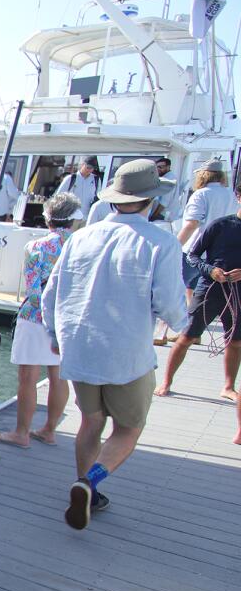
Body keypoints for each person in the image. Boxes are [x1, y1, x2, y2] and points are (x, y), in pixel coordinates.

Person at [41, 159, 188, 531]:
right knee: (129, 428)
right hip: (127, 354)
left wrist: (55, 336)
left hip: (81, 347)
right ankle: (89, 483)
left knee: (90, 421)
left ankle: (85, 484)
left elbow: (50, 295)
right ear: (152, 199)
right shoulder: (161, 241)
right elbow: (168, 302)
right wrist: (185, 327)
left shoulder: (80, 237)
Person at [0, 193, 80, 449]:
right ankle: (49, 430)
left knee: (28, 377)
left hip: (34, 316)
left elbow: (33, 288)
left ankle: (22, 433)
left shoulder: (36, 247)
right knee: (59, 376)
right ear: (73, 219)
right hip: (65, 318)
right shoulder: (81, 244)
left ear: (47, 218)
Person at [154, 184, 241, 400]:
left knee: (236, 340)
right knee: (187, 336)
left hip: (238, 292)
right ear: (238, 196)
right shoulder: (221, 225)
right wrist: (211, 271)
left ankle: (228, 386)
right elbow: (193, 255)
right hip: (209, 288)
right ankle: (166, 381)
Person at [177, 159, 234, 297]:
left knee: (187, 290)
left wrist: (175, 245)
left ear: (202, 175)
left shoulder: (200, 194)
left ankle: (188, 318)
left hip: (196, 251)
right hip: (220, 253)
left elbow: (192, 224)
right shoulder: (231, 195)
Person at [55, 157, 100, 227]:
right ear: (83, 165)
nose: (90, 170)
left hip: (87, 217)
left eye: (92, 168)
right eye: (88, 167)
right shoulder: (71, 178)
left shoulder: (96, 180)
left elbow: (98, 197)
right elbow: (58, 196)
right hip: (71, 217)